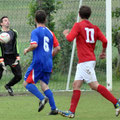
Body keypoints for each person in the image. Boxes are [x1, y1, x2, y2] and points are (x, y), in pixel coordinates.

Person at [58, 5, 120, 118]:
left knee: (94, 85)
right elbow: (105, 40)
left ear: (79, 14)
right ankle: (71, 112)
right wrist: (103, 52)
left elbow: (69, 38)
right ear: (89, 15)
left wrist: (66, 33)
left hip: (85, 61)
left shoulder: (78, 25)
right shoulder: (95, 28)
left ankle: (116, 102)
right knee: (76, 85)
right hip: (86, 60)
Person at [23, 10, 60, 115]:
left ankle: (42, 98)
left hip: (38, 62)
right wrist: (49, 56)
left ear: (35, 20)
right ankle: (54, 109)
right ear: (46, 20)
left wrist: (27, 49)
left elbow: (34, 45)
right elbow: (58, 48)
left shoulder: (35, 31)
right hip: (48, 62)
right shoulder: (50, 33)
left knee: (26, 83)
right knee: (44, 85)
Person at [0, 16, 22, 96]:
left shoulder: (14, 32)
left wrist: (17, 56)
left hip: (12, 57)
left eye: (8, 20)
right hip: (2, 57)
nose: (7, 22)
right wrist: (1, 59)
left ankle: (8, 86)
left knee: (19, 76)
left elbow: (16, 45)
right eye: (5, 20)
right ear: (1, 23)